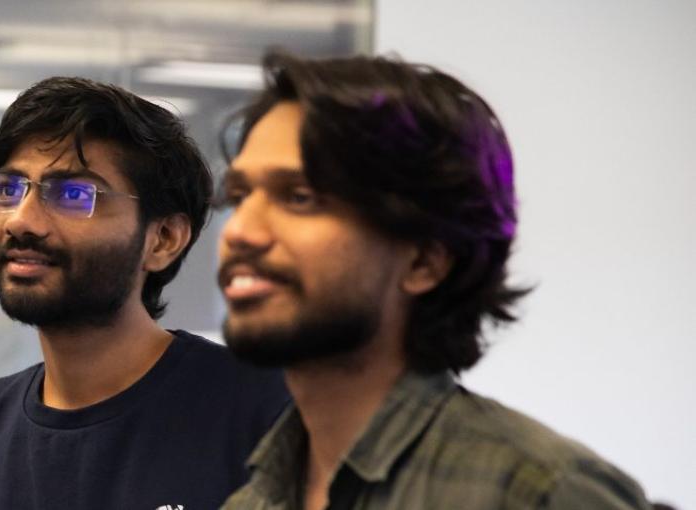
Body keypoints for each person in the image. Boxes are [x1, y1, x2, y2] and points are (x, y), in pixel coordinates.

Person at [217, 52, 650, 509]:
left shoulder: (536, 492)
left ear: (424, 260)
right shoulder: (252, 501)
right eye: (240, 195)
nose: (240, 230)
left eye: (300, 197)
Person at [0, 77, 291, 510]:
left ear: (163, 239)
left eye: (73, 194)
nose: (21, 221)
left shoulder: (266, 413)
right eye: (9, 189)